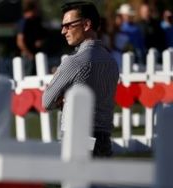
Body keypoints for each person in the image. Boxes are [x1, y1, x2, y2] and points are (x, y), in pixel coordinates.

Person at [43, 1, 120, 158]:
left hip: (77, 137)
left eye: (69, 25)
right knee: (101, 182)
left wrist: (64, 99)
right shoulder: (111, 61)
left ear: (86, 24)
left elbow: (47, 101)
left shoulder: (74, 61)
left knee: (75, 182)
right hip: (104, 139)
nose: (63, 31)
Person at [15, 1, 46, 76]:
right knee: (28, 77)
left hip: (35, 54)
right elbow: (20, 41)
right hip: (27, 55)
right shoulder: (24, 22)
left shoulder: (35, 21)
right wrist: (29, 54)